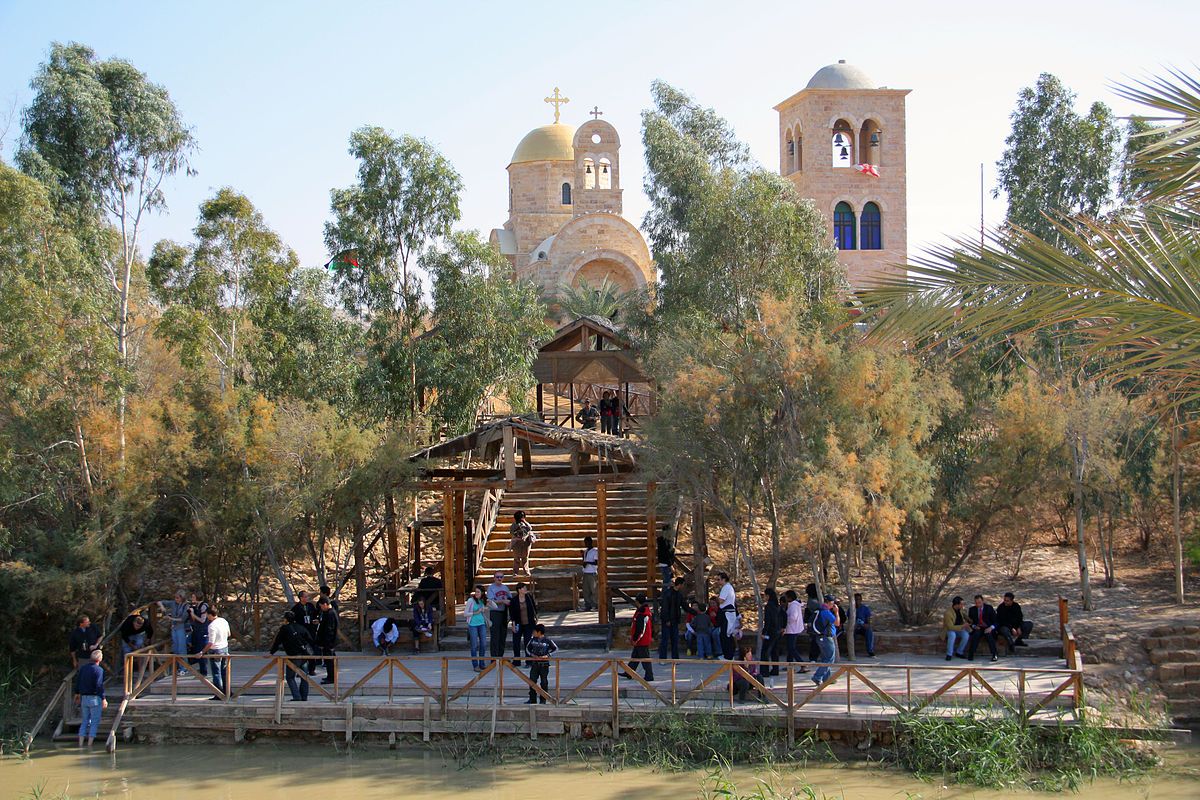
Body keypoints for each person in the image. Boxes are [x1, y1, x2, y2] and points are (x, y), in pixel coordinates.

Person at [269, 611, 315, 701]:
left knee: (290, 677)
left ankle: (297, 696)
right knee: (304, 677)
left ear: (286, 619)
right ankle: (304, 696)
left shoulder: (284, 629)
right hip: (304, 656)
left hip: (293, 656)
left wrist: (271, 652)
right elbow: (310, 639)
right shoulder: (301, 627)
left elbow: (278, 641)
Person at [74, 649, 106, 747]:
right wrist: (103, 698)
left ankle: (80, 744)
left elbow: (78, 682)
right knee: (94, 722)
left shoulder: (83, 668)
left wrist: (77, 694)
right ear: (99, 659)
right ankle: (89, 744)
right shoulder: (99, 670)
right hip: (95, 698)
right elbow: (99, 685)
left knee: (84, 721)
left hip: (84, 698)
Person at [523, 623, 558, 704]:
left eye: (534, 631)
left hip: (544, 665)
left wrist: (547, 655)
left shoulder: (547, 640)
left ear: (539, 632)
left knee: (544, 682)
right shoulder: (532, 640)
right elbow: (527, 649)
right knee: (532, 681)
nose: (533, 633)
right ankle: (532, 699)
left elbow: (556, 649)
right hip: (535, 664)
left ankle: (543, 700)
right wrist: (532, 655)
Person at [158, 591, 191, 675]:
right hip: (174, 628)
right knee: (175, 648)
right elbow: (159, 601)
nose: (176, 599)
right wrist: (162, 607)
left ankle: (184, 668)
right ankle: (178, 667)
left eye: (177, 598)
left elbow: (182, 619)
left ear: (182, 598)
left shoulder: (186, 606)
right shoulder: (173, 603)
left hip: (181, 627)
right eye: (175, 597)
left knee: (182, 648)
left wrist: (171, 619)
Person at [200, 606, 230, 700]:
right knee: (224, 672)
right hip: (224, 648)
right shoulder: (223, 621)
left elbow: (211, 642)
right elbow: (229, 634)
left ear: (210, 615)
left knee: (217, 673)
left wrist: (202, 652)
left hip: (216, 650)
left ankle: (219, 694)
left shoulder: (211, 626)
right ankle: (227, 691)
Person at [624, 595, 655, 681]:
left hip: (642, 640)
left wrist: (634, 639)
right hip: (640, 640)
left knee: (645, 659)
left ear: (638, 602)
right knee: (635, 657)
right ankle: (629, 672)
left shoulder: (642, 614)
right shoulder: (642, 612)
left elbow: (640, 629)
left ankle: (649, 676)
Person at [811, 595, 838, 686]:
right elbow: (837, 623)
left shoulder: (819, 610)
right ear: (829, 602)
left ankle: (827, 678)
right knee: (830, 658)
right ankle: (817, 677)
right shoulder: (826, 612)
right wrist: (836, 612)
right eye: (833, 602)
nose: (834, 604)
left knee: (825, 658)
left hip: (820, 637)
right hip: (826, 638)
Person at [509, 583, 538, 666]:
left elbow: (533, 608)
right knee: (516, 642)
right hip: (518, 624)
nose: (525, 589)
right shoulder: (514, 600)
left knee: (528, 642)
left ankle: (529, 661)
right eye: (524, 588)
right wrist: (513, 624)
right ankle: (517, 660)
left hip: (529, 624)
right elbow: (512, 614)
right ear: (519, 590)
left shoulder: (529, 597)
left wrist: (535, 617)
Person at [290, 590, 318, 675]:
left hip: (310, 631)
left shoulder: (310, 606)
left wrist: (315, 621)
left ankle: (312, 669)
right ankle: (301, 670)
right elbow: (292, 620)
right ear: (301, 598)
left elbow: (315, 615)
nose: (307, 598)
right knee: (302, 651)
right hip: (301, 633)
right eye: (305, 596)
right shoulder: (296, 608)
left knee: (311, 650)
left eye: (307, 596)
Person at [658, 577, 685, 661]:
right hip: (668, 620)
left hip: (675, 620)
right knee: (665, 640)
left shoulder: (679, 595)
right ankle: (662, 659)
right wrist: (667, 620)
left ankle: (675, 658)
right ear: (680, 585)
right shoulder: (668, 593)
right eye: (683, 584)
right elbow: (665, 608)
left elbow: (684, 605)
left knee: (675, 640)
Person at [966, 594, 999, 662]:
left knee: (989, 635)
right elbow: (970, 622)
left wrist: (991, 628)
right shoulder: (972, 610)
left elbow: (996, 621)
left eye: (979, 602)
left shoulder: (989, 608)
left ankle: (994, 654)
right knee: (976, 635)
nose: (978, 604)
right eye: (976, 603)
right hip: (979, 627)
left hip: (988, 627)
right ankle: (971, 653)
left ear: (983, 601)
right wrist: (974, 626)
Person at [486, 573, 511, 658]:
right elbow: (490, 601)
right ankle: (494, 657)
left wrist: (507, 601)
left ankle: (500, 656)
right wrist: (502, 601)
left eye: (501, 577)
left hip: (504, 612)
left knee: (503, 635)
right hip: (495, 612)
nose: (499, 578)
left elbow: (510, 598)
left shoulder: (505, 588)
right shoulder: (491, 588)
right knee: (495, 635)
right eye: (497, 577)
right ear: (494, 578)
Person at [465, 585, 489, 671]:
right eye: (476, 592)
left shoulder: (483, 600)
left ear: (482, 593)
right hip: (473, 624)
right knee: (474, 645)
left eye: (478, 592)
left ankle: (482, 663)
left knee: (483, 644)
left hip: (482, 623)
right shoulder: (471, 600)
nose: (477, 594)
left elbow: (495, 606)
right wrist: (475, 612)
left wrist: (489, 601)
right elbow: (465, 613)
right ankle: (475, 665)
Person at [783, 590, 807, 673]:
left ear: (789, 597)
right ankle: (789, 665)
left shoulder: (793, 606)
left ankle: (802, 664)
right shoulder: (794, 605)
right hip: (792, 629)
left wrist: (784, 620)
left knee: (791, 648)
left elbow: (793, 618)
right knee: (789, 648)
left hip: (792, 630)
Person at [316, 596, 339, 682]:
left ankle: (331, 677)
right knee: (328, 660)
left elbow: (330, 630)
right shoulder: (327, 613)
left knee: (330, 661)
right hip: (326, 642)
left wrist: (327, 643)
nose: (321, 608)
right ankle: (330, 676)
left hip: (329, 642)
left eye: (321, 606)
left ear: (325, 604)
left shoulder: (330, 614)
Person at [760, 588, 782, 676]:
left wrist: (764, 632)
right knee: (774, 651)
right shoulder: (777, 606)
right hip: (777, 631)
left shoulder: (769, 606)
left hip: (770, 632)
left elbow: (768, 621)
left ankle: (764, 671)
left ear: (768, 596)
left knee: (765, 651)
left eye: (765, 595)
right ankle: (775, 670)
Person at [942, 596, 971, 661]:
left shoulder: (960, 610)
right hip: (950, 629)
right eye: (961, 604)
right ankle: (949, 654)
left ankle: (959, 652)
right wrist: (963, 626)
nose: (963, 605)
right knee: (952, 635)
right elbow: (950, 627)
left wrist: (971, 621)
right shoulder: (948, 613)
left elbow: (965, 616)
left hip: (959, 628)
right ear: (957, 605)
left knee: (966, 635)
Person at [717, 572, 737, 660]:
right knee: (725, 634)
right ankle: (728, 654)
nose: (718, 581)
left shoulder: (726, 588)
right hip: (727, 612)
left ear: (724, 579)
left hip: (727, 613)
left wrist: (717, 598)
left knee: (725, 635)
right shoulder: (728, 587)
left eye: (719, 579)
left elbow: (721, 600)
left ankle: (728, 656)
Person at [509, 511, 535, 576]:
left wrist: (525, 522)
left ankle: (526, 572)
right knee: (516, 559)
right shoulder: (514, 524)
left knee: (525, 558)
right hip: (517, 543)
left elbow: (530, 528)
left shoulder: (525, 524)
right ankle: (515, 572)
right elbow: (512, 532)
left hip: (525, 543)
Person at [803, 583, 822, 663]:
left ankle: (814, 656)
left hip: (815, 623)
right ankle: (813, 657)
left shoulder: (812, 600)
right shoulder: (813, 602)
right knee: (815, 641)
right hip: (816, 623)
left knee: (816, 640)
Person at [853, 593, 876, 658]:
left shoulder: (865, 609)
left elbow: (868, 623)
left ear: (861, 600)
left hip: (863, 627)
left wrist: (865, 625)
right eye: (856, 600)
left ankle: (870, 651)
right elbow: (850, 621)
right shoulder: (851, 609)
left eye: (859, 599)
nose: (857, 601)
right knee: (851, 633)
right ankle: (851, 651)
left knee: (869, 631)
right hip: (855, 627)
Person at [581, 536, 599, 612]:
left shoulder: (595, 551)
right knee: (586, 590)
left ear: (590, 542)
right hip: (586, 572)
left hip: (592, 572)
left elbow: (596, 562)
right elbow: (585, 560)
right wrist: (583, 556)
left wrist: (587, 562)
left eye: (587, 542)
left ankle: (595, 604)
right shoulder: (586, 551)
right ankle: (587, 604)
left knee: (593, 590)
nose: (586, 544)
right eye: (585, 543)